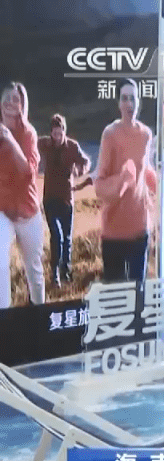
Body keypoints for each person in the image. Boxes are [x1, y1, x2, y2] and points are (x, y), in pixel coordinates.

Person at [91, 79, 156, 283]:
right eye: (125, 99)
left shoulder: (146, 135)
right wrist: (122, 180)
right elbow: (100, 184)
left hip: (140, 230)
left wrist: (159, 187)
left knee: (138, 294)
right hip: (114, 233)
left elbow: (145, 169)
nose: (129, 104)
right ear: (119, 104)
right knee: (116, 297)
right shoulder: (110, 134)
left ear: (139, 102)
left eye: (133, 98)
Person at [0, 81, 45, 307]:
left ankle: (40, 313)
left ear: (22, 105)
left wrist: (9, 139)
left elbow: (28, 173)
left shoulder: (28, 133)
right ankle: (4, 316)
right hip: (3, 210)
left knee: (34, 270)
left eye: (15, 99)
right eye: (6, 97)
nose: (10, 102)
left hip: (28, 212)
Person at [38, 113, 91, 287]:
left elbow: (86, 162)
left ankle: (65, 272)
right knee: (57, 236)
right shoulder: (44, 144)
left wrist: (79, 171)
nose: (58, 137)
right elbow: (29, 145)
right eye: (55, 134)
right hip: (49, 198)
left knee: (67, 239)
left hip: (67, 199)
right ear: (51, 133)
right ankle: (54, 274)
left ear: (64, 132)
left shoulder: (72, 147)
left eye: (60, 134)